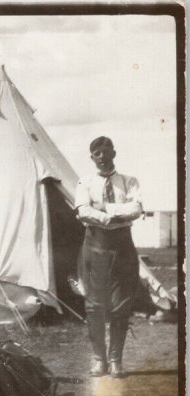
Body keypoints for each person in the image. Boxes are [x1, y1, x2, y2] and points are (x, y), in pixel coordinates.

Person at [75, 136, 142, 378]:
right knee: (94, 306)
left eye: (106, 152)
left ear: (114, 153)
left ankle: (116, 361)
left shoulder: (129, 181)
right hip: (95, 247)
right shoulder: (85, 182)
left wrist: (104, 209)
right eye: (97, 154)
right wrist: (111, 218)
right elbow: (83, 211)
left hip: (123, 247)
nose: (102, 157)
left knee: (121, 305)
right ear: (92, 157)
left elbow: (136, 209)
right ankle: (98, 359)